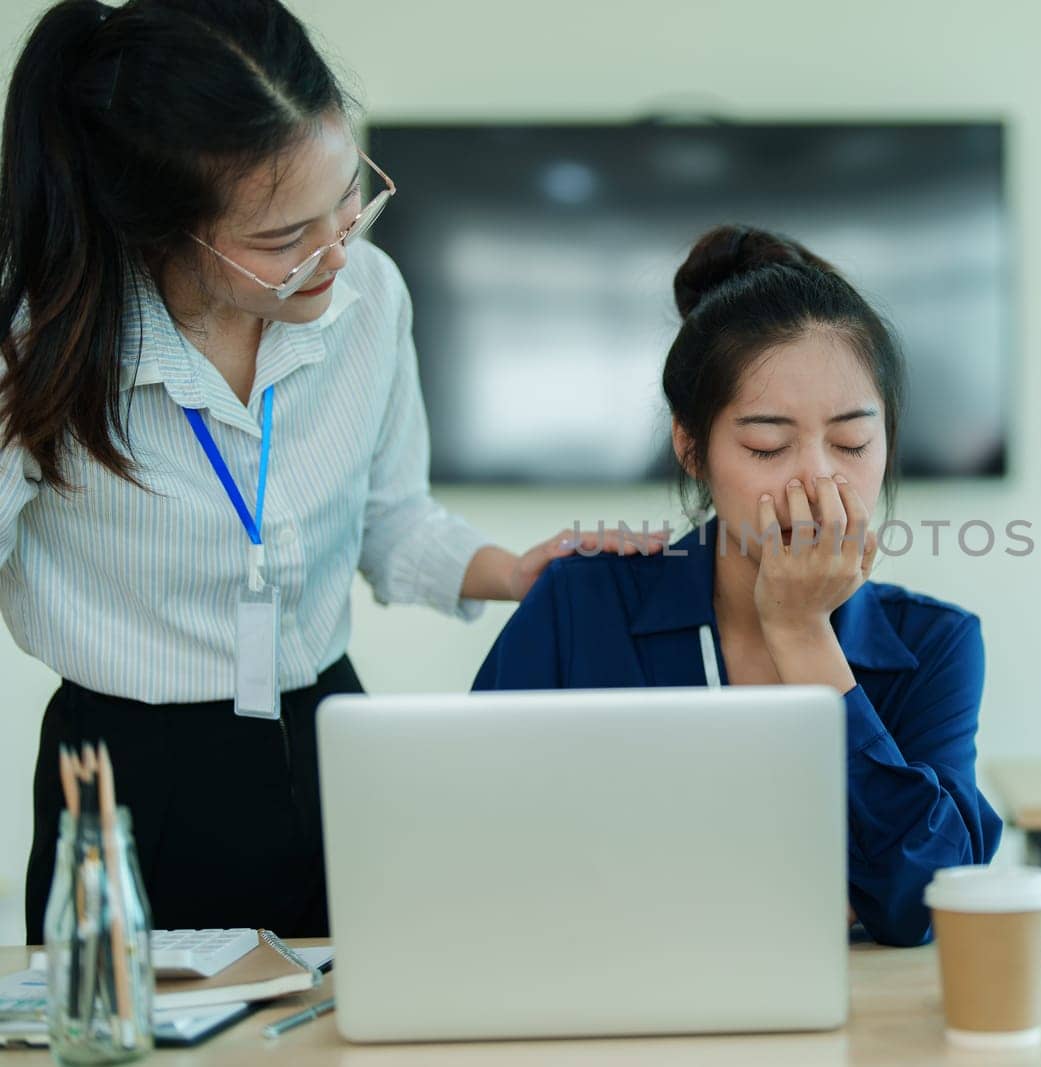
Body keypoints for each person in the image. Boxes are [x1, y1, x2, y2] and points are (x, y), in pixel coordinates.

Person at [1, 0, 657, 943]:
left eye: (350, 198)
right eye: (283, 239)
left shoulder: (368, 299)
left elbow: (394, 520)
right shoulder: (38, 350)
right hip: (127, 770)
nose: (336, 253)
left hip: (329, 737)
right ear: (158, 228)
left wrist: (513, 572)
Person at [473, 225, 1001, 947]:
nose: (817, 480)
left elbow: (932, 901)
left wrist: (802, 632)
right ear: (692, 446)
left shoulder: (935, 642)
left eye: (852, 442)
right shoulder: (579, 602)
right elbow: (476, 842)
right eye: (766, 445)